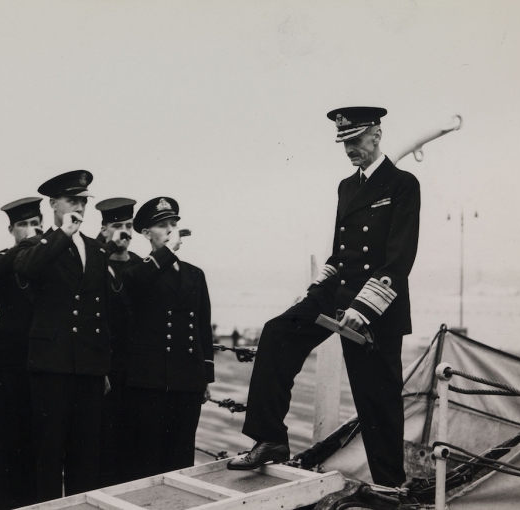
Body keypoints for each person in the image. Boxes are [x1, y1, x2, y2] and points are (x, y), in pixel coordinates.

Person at [228, 107, 421, 489]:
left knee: (376, 398)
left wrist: (363, 309)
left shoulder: (403, 184)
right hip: (338, 289)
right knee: (277, 332)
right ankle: (269, 440)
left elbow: (399, 258)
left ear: (377, 135)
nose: (350, 149)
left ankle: (389, 487)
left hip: (376, 302)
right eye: (344, 142)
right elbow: (340, 250)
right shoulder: (346, 186)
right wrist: (316, 291)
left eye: (355, 141)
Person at [13, 170, 114, 502]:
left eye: (83, 201)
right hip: (50, 366)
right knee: (48, 455)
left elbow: (101, 312)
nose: (79, 208)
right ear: (54, 204)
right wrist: (61, 235)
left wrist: (103, 367)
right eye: (72, 201)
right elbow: (26, 269)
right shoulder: (35, 244)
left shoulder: (96, 251)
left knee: (86, 456)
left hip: (88, 367)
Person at [124, 197, 214, 479]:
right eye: (162, 225)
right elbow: (134, 284)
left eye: (174, 224)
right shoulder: (137, 271)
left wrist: (205, 378)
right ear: (146, 232)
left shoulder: (194, 274)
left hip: (187, 380)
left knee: (182, 456)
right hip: (150, 382)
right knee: (147, 458)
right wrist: (167, 252)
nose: (171, 229)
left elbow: (202, 328)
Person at [0, 197, 43, 509]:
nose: (30, 230)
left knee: (40, 451)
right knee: (5, 449)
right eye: (23, 224)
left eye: (36, 224)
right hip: (7, 371)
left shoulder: (54, 260)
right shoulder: (2, 261)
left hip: (44, 369)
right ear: (11, 229)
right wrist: (20, 251)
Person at [94, 198, 142, 487]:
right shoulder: (96, 264)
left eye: (127, 225)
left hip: (136, 368)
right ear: (104, 230)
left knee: (134, 443)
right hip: (106, 367)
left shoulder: (140, 265)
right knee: (105, 444)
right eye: (116, 226)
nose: (123, 232)